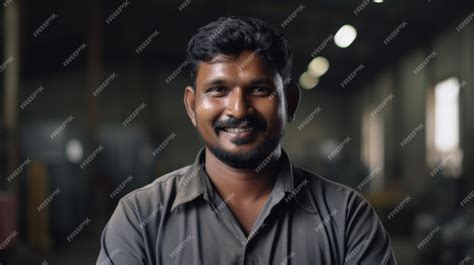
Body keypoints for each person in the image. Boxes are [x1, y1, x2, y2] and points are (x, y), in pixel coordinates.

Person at [97, 16, 397, 265]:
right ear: (191, 106)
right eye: (218, 90)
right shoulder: (140, 217)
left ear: (289, 102)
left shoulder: (346, 217)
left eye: (260, 90)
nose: (239, 109)